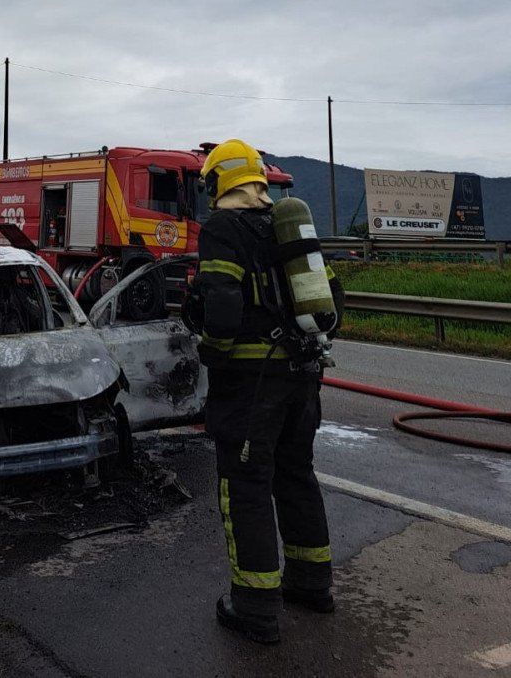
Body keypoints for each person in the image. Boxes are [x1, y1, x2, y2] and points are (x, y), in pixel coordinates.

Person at [193, 139, 344, 644]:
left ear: (217, 183)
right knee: (296, 474)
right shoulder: (289, 229)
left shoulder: (221, 228)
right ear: (257, 179)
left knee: (246, 485)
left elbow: (221, 310)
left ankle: (254, 607)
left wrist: (209, 355)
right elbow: (332, 299)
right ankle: (312, 584)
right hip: (303, 377)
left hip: (251, 386)